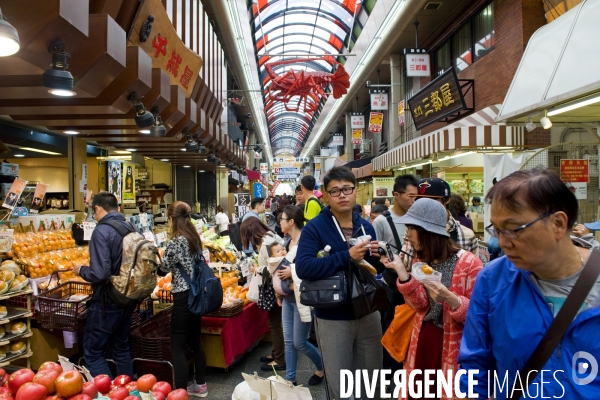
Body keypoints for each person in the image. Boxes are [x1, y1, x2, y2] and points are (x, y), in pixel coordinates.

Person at [459, 169, 600, 399]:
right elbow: (475, 367)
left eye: (514, 229)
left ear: (558, 223)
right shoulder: (493, 280)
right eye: (497, 229)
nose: (502, 242)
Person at [296, 166, 385, 399]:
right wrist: (346, 256)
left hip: (368, 311)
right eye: (335, 191)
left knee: (371, 383)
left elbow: (373, 270)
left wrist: (381, 258)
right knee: (341, 386)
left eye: (347, 189)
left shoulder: (366, 226)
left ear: (356, 192)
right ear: (325, 196)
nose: (342, 195)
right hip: (332, 316)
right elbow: (303, 267)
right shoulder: (315, 227)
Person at [381, 198, 482, 399]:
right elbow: (420, 305)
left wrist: (451, 299)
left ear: (428, 231)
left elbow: (479, 317)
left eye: (412, 228)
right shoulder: (422, 261)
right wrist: (402, 271)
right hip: (423, 338)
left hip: (455, 345)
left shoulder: (470, 264)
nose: (407, 234)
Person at [74, 193, 135, 379]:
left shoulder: (101, 231)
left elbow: (101, 273)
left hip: (107, 301)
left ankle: (106, 393)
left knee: (93, 351)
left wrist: (81, 271)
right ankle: (129, 392)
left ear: (98, 209)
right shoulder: (130, 227)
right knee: (121, 348)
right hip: (128, 296)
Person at [160, 202, 208, 397]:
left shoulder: (175, 242)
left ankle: (180, 391)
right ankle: (201, 385)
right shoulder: (194, 238)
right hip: (196, 295)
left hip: (182, 297)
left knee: (177, 346)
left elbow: (164, 267)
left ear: (172, 219)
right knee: (195, 341)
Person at [371, 174, 418, 373]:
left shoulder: (417, 219)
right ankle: (390, 368)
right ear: (396, 195)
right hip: (392, 284)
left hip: (415, 282)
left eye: (417, 196)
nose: (414, 201)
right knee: (393, 326)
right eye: (411, 196)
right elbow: (374, 255)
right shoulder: (382, 221)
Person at [276, 205, 324, 386]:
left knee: (299, 342)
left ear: (291, 222)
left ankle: (322, 366)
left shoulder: (307, 241)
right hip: (288, 298)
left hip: (302, 299)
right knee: (289, 341)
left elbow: (315, 266)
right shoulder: (286, 243)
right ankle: (290, 379)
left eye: (282, 219)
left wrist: (292, 271)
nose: (280, 222)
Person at [400, 177, 478, 269]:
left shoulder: (466, 235)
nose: (426, 206)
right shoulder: (413, 231)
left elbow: (473, 273)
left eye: (432, 201)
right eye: (420, 201)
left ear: (447, 200)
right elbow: (408, 266)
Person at [241, 217, 286, 371]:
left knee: (274, 323)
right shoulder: (270, 238)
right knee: (274, 322)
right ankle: (276, 353)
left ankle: (279, 359)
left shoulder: (267, 243)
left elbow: (272, 267)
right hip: (276, 286)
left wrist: (257, 270)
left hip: (275, 287)